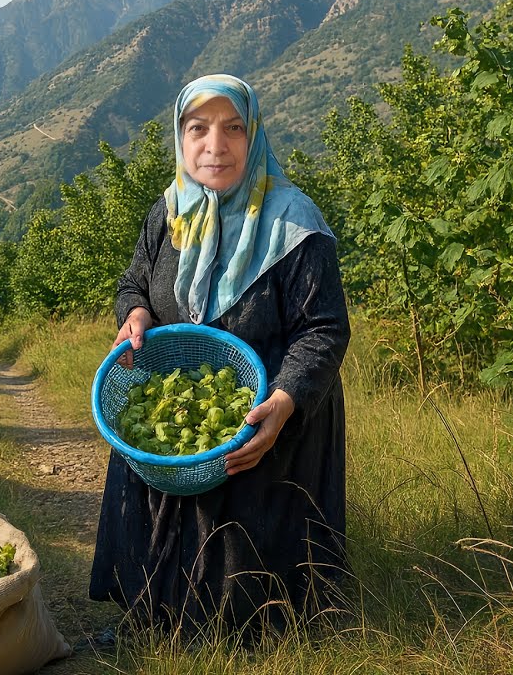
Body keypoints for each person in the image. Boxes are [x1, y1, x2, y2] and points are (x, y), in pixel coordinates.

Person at [88, 74, 350, 642]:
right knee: (164, 498)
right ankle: (156, 617)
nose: (215, 145)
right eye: (197, 129)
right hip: (181, 401)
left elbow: (324, 329)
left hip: (268, 410)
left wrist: (283, 402)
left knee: (250, 541)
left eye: (233, 128)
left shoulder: (294, 222)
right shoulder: (170, 212)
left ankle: (257, 629)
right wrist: (135, 314)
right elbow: (133, 284)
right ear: (180, 137)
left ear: (254, 135)